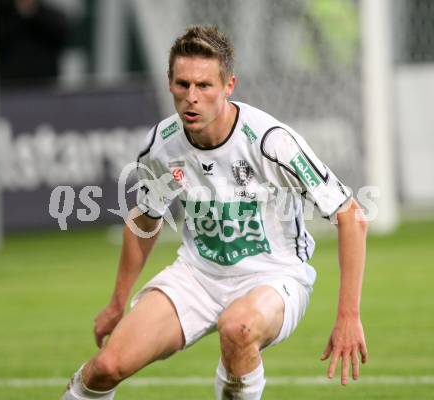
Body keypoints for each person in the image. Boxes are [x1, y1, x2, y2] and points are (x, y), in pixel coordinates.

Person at [61, 25, 368, 400]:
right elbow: (145, 221)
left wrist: (348, 316)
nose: (192, 97)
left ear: (228, 86)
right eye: (183, 84)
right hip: (198, 275)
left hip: (274, 277)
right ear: (169, 83)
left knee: (237, 328)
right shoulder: (162, 145)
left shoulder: (271, 142)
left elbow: (351, 215)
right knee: (107, 367)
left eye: (204, 86)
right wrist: (116, 302)